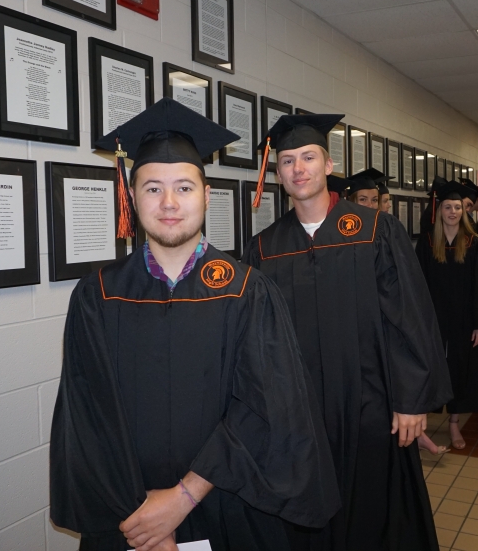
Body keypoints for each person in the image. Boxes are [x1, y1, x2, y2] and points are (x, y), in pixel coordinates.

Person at [50, 99, 339, 551]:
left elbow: (266, 407)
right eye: (152, 189)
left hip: (229, 506)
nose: (168, 204)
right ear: (130, 196)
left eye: (184, 188)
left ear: (207, 195)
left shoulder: (247, 291)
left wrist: (181, 500)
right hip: (129, 520)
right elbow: (89, 418)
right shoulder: (98, 295)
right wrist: (144, 522)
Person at [242, 113, 452, 551]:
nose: (298, 168)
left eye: (308, 157)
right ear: (277, 174)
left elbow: (408, 319)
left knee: (374, 518)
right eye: (286, 161)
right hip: (301, 417)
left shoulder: (376, 230)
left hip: (371, 408)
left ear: (329, 164)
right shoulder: (265, 248)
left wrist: (411, 401)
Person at [416, 181, 478, 450]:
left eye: (457, 207)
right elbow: (417, 284)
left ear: (464, 212)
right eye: (447, 207)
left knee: (461, 368)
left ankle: (454, 422)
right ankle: (420, 426)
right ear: (439, 210)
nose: (452, 212)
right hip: (435, 319)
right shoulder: (428, 242)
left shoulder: (474, 243)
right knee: (430, 366)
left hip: (465, 320)